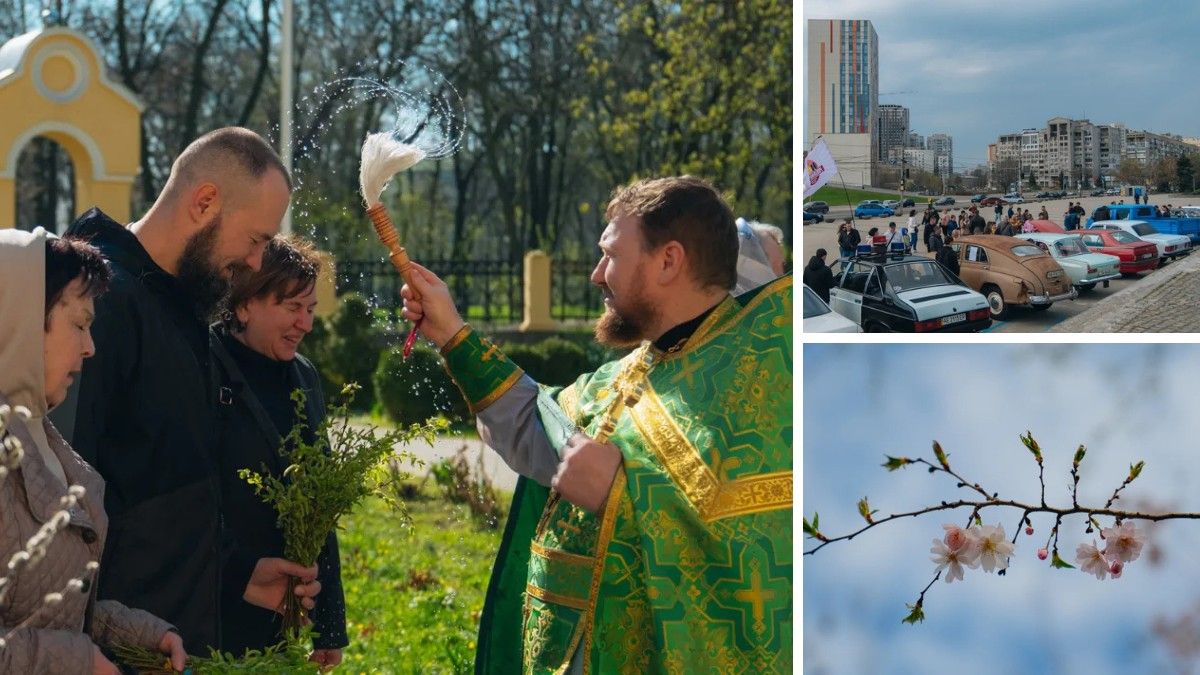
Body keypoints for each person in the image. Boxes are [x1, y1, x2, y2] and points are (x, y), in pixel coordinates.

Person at [401, 176, 792, 674]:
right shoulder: (620, 377)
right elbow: (535, 422)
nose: (595, 274)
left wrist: (622, 494)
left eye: (611, 255)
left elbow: (766, 537)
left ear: (669, 260)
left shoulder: (760, 378)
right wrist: (452, 333)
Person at [60, 127, 322, 652]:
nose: (255, 263)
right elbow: (63, 503)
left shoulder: (181, 308)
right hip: (113, 651)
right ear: (204, 202)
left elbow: (162, 484)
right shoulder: (99, 303)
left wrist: (237, 573)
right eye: (255, 241)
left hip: (171, 644)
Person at [0, 230, 186, 674]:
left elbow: (47, 605)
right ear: (19, 319)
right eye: (80, 324)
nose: (90, 347)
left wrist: (138, 633)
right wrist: (80, 662)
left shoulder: (39, 435)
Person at [210, 237, 347, 668]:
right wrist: (236, 571)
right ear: (245, 304)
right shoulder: (201, 365)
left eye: (309, 309)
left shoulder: (303, 377)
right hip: (209, 607)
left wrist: (329, 624)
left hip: (282, 612)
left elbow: (320, 503)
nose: (306, 324)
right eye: (292, 308)